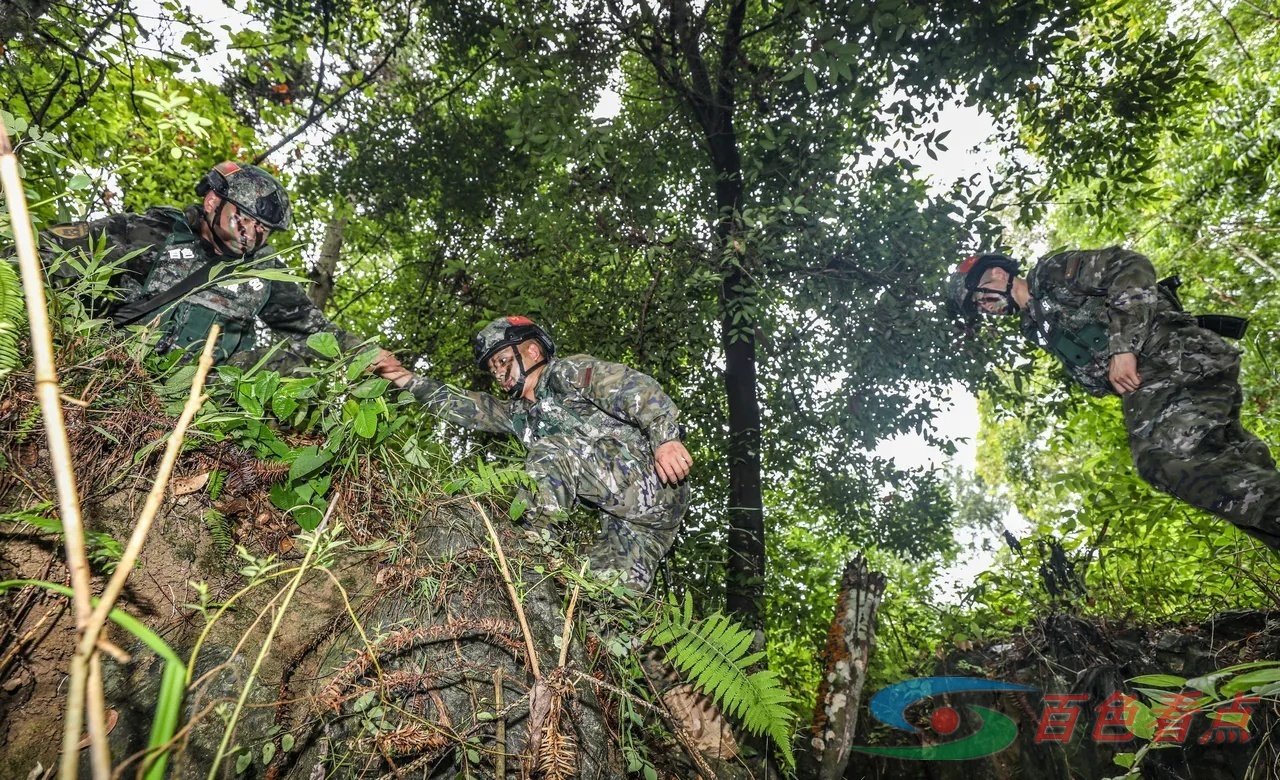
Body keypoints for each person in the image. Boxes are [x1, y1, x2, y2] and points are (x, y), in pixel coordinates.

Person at [948, 247, 1280, 547]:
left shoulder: (1050, 275)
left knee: (1162, 460)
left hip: (1172, 360)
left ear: (998, 274)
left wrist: (1124, 348)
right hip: (1165, 379)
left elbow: (1131, 266)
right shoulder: (1037, 325)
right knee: (1238, 471)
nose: (984, 308)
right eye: (978, 307)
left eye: (980, 297)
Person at [389, 315, 693, 592]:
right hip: (636, 523)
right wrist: (403, 377)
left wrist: (666, 438)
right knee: (605, 601)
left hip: (654, 482)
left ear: (533, 352)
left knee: (551, 451)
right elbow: (468, 407)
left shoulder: (566, 373)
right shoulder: (520, 414)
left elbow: (634, 388)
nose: (498, 373)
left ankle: (528, 553)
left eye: (503, 360)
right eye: (493, 368)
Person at [36, 160, 407, 378]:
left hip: (207, 394)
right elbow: (47, 249)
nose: (254, 233)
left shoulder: (263, 272)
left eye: (265, 228)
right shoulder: (150, 231)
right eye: (246, 217)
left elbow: (312, 330)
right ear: (214, 200)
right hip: (116, 369)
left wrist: (371, 357)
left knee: (287, 368)